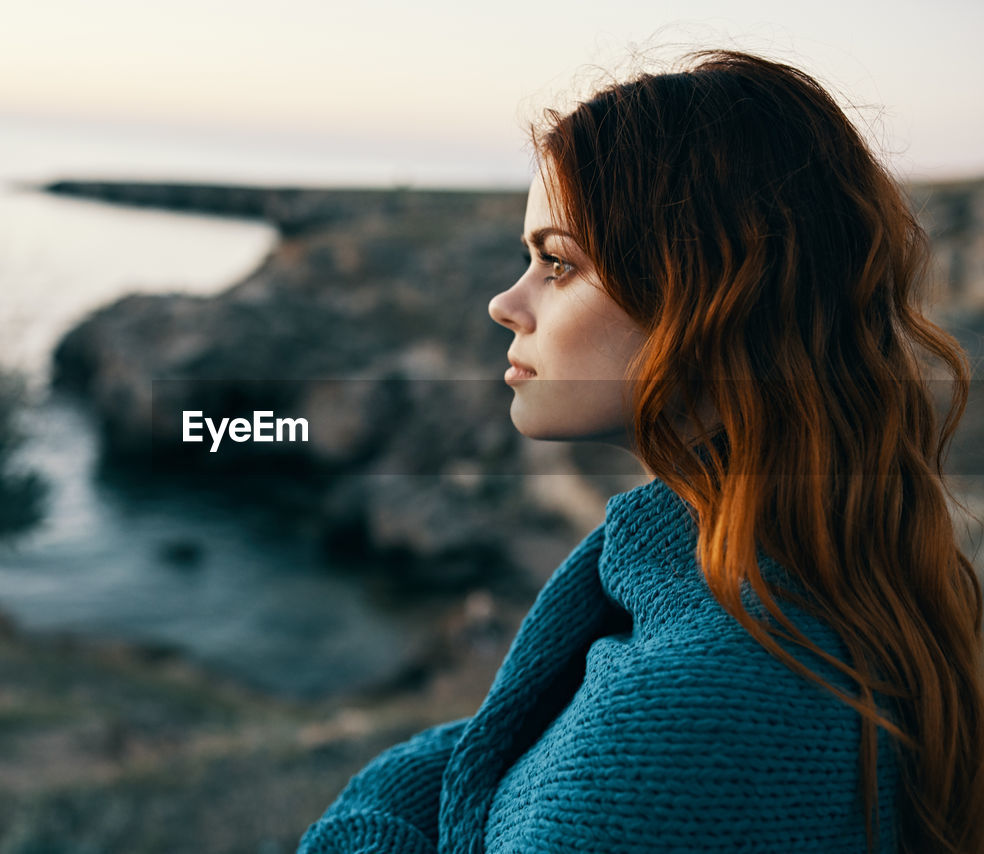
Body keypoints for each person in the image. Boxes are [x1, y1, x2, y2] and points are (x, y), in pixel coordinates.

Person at [295, 48, 984, 854]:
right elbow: (509, 746)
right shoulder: (831, 585)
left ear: (712, 300)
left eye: (558, 261)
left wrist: (366, 809)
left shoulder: (692, 714)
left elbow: (503, 762)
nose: (503, 302)